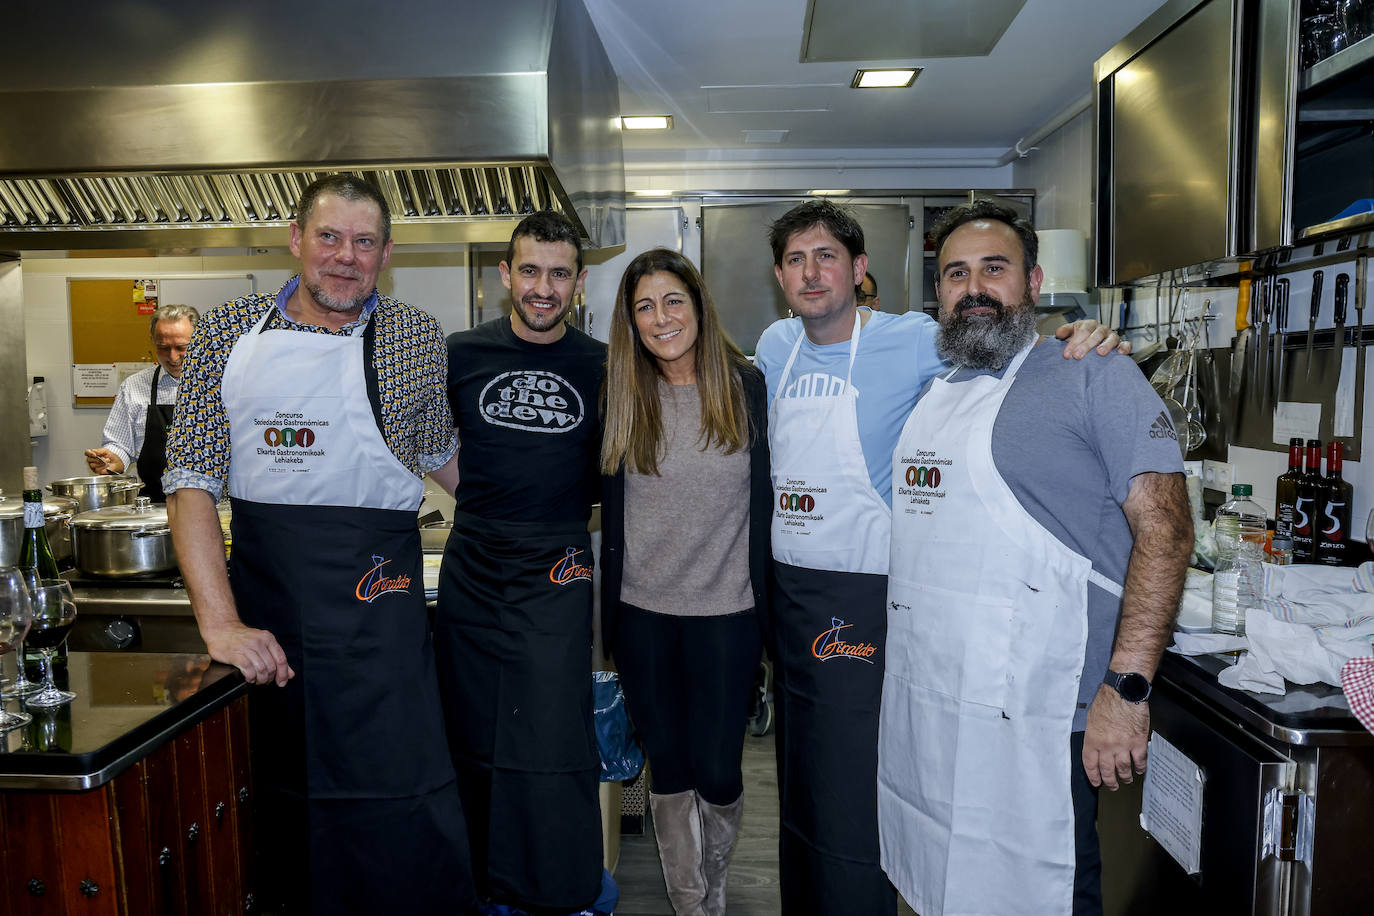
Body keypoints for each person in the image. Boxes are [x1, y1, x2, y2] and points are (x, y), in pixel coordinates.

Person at [753, 199, 1125, 916]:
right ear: (778, 276)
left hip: (870, 594)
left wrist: (1077, 335)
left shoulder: (916, 338)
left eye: (826, 256)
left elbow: (1001, 344)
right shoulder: (774, 347)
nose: (811, 273)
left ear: (860, 270)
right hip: (791, 594)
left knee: (862, 783)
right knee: (802, 777)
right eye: (796, 260)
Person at [163, 174, 474, 916]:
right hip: (275, 631)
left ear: (386, 255)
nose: (345, 257)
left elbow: (447, 461)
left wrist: (549, 512)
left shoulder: (412, 336)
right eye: (329, 237)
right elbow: (191, 482)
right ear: (296, 239)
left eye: (364, 243)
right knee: (283, 821)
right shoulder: (229, 331)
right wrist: (219, 625)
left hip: (384, 624)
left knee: (405, 807)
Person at [878, 199, 1192, 916]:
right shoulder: (936, 393)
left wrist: (1127, 690)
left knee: (1040, 883)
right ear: (939, 295)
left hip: (1050, 713)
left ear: (1035, 282)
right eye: (956, 274)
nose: (975, 286)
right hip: (937, 708)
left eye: (996, 268)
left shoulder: (1094, 373)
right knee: (944, 878)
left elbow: (1168, 533)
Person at [435, 210, 614, 916]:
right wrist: (477, 496)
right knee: (472, 725)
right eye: (530, 270)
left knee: (551, 726)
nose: (544, 288)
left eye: (559, 273)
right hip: (475, 555)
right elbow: (423, 441)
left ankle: (560, 885)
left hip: (559, 558)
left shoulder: (602, 364)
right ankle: (482, 884)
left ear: (579, 281)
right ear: (505, 273)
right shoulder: (460, 352)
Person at [599, 249, 770, 916]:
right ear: (631, 321)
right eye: (644, 306)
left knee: (719, 771)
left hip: (728, 613)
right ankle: (694, 903)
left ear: (698, 306)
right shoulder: (621, 395)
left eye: (673, 300)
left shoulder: (748, 388)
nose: (661, 317)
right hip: (641, 617)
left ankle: (715, 881)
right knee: (667, 770)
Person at [84, 303, 199, 501]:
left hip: (214, 509)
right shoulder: (134, 386)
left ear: (199, 341)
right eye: (163, 348)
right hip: (156, 508)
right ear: (153, 342)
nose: (173, 357)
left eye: (181, 347)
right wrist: (111, 460)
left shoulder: (222, 383)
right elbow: (120, 445)